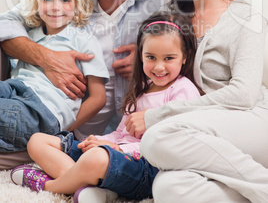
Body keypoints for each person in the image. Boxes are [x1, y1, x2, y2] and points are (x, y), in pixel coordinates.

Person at [125, 0, 268, 203]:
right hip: (199, 130)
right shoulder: (175, 16)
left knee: (156, 138)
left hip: (251, 120)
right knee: (167, 187)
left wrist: (158, 116)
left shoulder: (247, 17)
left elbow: (243, 94)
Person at [0, 0, 168, 147]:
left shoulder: (159, 0)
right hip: (57, 115)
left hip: (126, 129)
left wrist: (146, 61)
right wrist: (48, 59)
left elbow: (188, 48)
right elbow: (6, 23)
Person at [10, 11, 202, 202]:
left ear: (184, 57)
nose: (159, 67)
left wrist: (113, 148)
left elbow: (171, 146)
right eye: (151, 57)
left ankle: (48, 186)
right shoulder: (142, 88)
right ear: (141, 55)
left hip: (145, 166)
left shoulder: (183, 91)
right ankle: (87, 185)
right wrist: (99, 140)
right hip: (112, 152)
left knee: (96, 158)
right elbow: (120, 134)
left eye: (169, 58)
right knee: (38, 141)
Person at [0, 0, 109, 153]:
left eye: (65, 0)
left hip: (41, 111)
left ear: (77, 5)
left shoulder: (84, 41)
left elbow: (98, 98)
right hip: (14, 91)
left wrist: (63, 128)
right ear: (36, 1)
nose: (55, 7)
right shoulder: (29, 35)